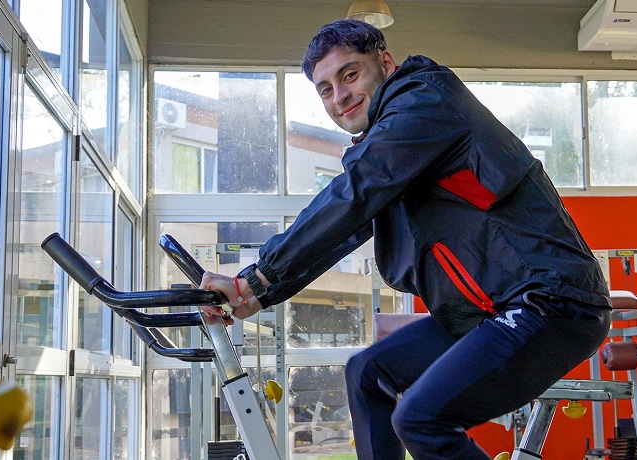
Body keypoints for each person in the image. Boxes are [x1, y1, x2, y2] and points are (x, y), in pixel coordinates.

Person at [200, 19, 612, 460]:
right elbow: (348, 226)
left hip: (551, 302)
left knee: (420, 418)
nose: (340, 96)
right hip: (486, 311)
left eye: (350, 75)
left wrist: (256, 278)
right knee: (367, 373)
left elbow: (357, 192)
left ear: (386, 63)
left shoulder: (424, 101)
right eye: (325, 89)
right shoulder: (392, 143)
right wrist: (259, 292)